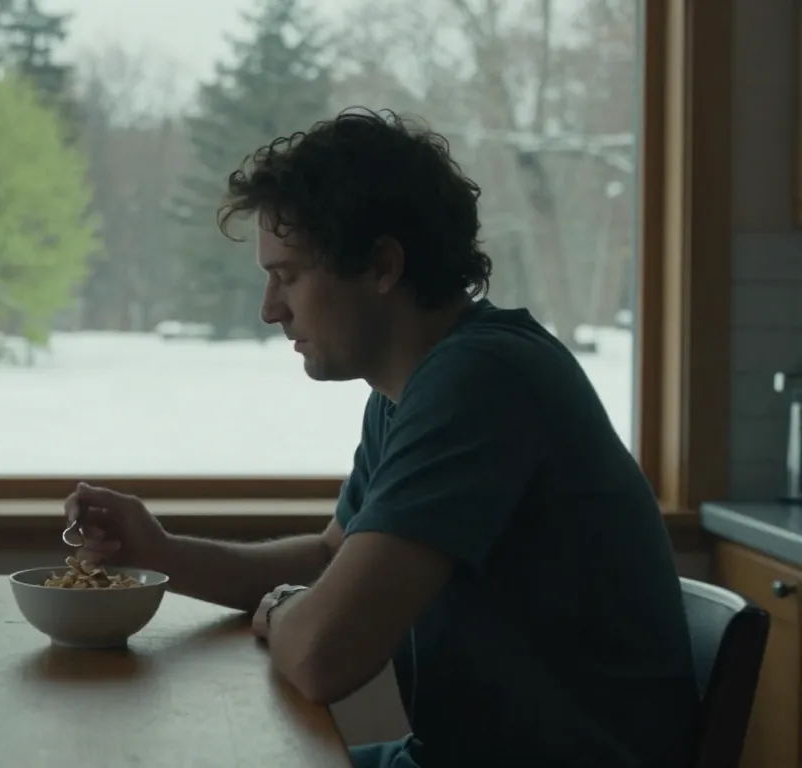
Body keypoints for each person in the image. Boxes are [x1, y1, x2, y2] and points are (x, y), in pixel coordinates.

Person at [62, 108, 699, 768]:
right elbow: (328, 557)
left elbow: (322, 655)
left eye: (289, 275)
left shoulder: (482, 381)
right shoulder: (411, 389)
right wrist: (160, 552)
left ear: (381, 265)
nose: (270, 309)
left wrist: (283, 610)